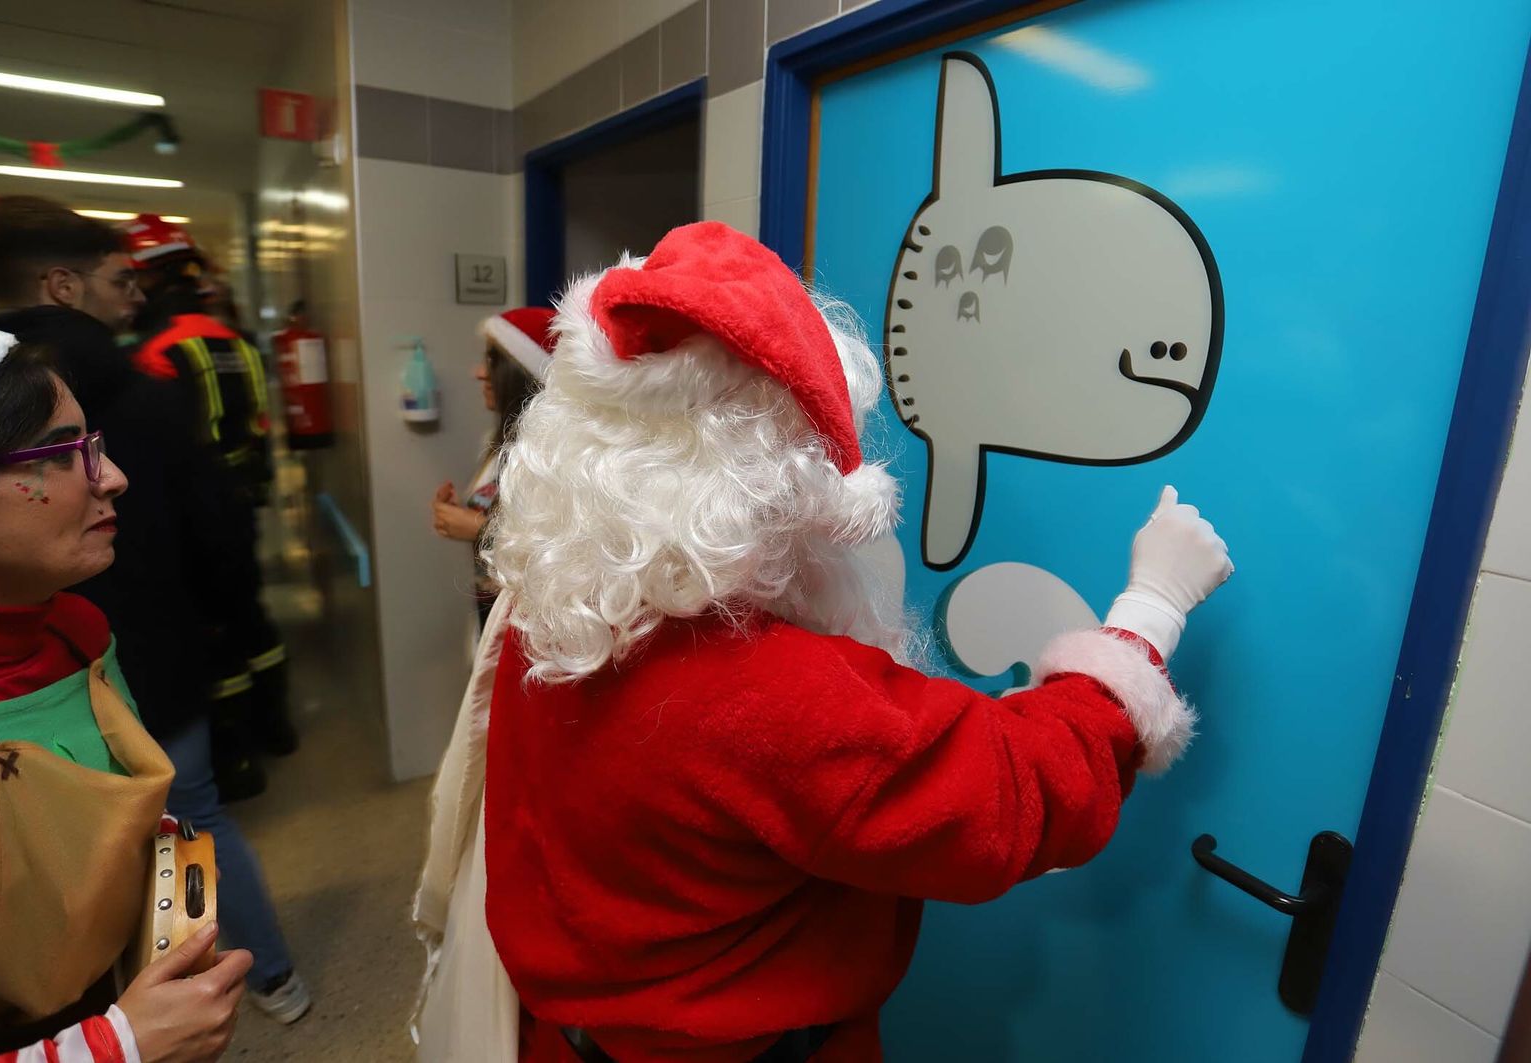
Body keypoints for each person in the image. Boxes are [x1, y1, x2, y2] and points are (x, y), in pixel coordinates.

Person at [413, 222, 1234, 1061]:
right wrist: (1152, 606)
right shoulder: (767, 693)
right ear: (770, 465)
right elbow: (1016, 795)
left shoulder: (550, 612)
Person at [0, 198, 311, 1025]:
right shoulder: (136, 389)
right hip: (160, 649)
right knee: (187, 819)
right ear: (63, 284)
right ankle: (260, 974)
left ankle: (137, 997)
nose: (133, 297)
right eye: (118, 280)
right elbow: (215, 529)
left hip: (67, 663)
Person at [0, 314, 251, 1061]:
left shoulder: (77, 631)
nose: (112, 477)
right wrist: (115, 1046)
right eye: (64, 452)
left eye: (93, 444)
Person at [123, 213, 295, 767]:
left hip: (189, 514)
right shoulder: (237, 342)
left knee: (210, 628)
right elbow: (262, 427)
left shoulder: (152, 353)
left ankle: (235, 753)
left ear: (148, 278)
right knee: (249, 609)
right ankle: (277, 723)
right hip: (239, 502)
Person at [431, 307, 556, 629]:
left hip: (531, 628)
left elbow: (559, 555)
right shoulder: (499, 440)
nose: (479, 372)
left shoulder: (551, 457)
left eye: (492, 361)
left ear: (522, 371)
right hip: (494, 614)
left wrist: (477, 528)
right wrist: (462, 512)